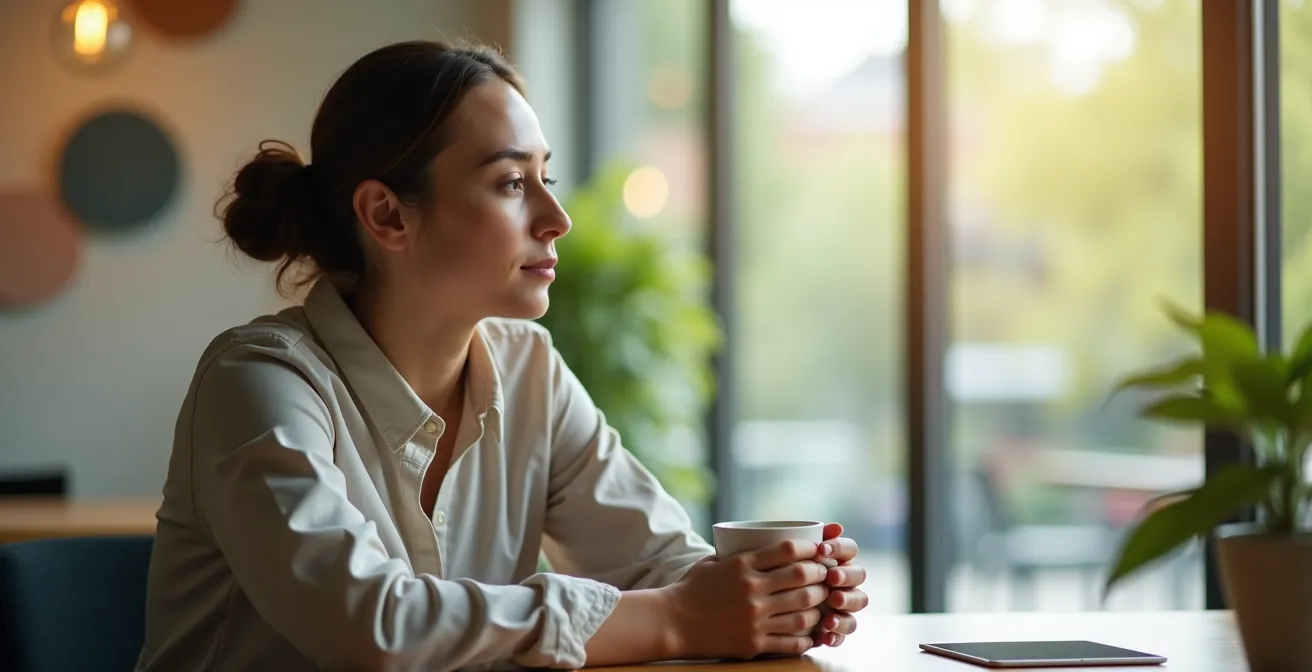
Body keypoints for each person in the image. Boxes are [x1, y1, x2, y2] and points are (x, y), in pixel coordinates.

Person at [136, 39, 869, 672]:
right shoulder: (259, 382)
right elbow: (371, 627)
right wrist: (681, 617)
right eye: (512, 183)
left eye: (546, 177)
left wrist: (777, 592)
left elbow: (659, 563)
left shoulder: (528, 372)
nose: (557, 218)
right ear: (387, 214)